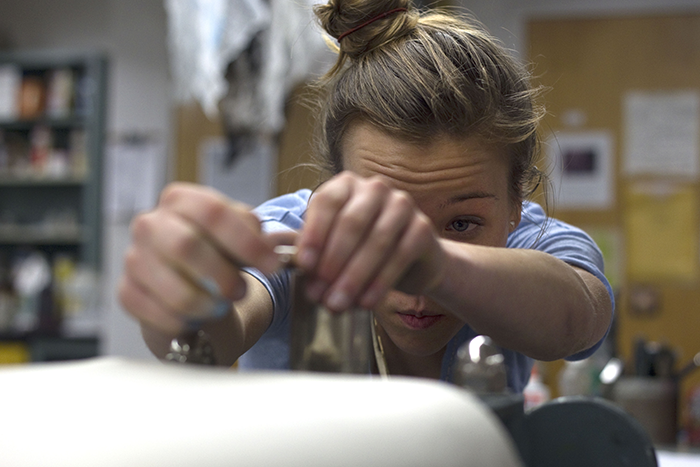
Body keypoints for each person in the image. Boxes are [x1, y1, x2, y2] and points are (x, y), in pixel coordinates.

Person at [119, 0, 614, 392]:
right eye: (384, 215)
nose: (416, 290)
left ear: (514, 207)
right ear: (330, 193)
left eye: (462, 223)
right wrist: (184, 300)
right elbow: (211, 333)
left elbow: (579, 319)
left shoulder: (537, 245)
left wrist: (434, 260)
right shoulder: (296, 236)